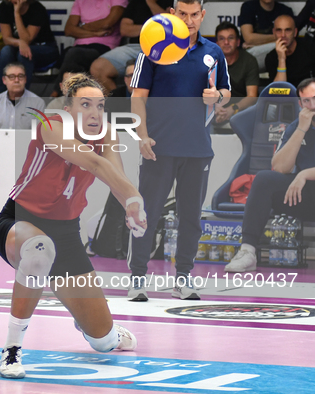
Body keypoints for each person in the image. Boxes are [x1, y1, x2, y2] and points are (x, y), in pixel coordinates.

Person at [0, 74, 145, 379]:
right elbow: (95, 165)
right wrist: (134, 197)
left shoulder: (107, 133)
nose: (93, 113)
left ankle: (102, 329)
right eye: (84, 104)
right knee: (38, 251)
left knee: (103, 342)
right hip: (20, 221)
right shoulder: (50, 125)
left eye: (100, 106)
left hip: (66, 231)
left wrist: (132, 205)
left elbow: (115, 172)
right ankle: (12, 348)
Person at [129, 0, 231, 301]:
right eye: (183, 14)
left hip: (198, 149)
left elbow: (225, 92)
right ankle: (137, 279)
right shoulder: (153, 47)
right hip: (158, 148)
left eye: (194, 14)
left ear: (202, 15)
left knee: (190, 218)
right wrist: (142, 137)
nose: (189, 20)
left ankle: (183, 278)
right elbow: (137, 97)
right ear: (172, 14)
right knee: (146, 214)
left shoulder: (213, 52)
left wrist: (218, 96)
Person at [225, 78, 315, 272]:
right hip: (305, 196)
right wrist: (301, 129)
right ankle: (248, 252)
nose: (312, 106)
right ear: (300, 104)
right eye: (306, 101)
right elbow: (280, 168)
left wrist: (305, 174)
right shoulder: (295, 127)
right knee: (265, 179)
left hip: (307, 182)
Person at [90, 0, 172, 95]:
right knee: (98, 68)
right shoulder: (136, 3)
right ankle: (122, 104)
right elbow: (125, 30)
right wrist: (153, 28)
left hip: (162, 48)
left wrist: (151, 3)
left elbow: (169, 26)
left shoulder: (172, 2)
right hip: (135, 47)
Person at [50, 0, 127, 97]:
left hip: (104, 47)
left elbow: (107, 23)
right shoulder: (80, 1)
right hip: (79, 48)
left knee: (74, 55)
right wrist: (96, 32)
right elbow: (69, 30)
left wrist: (82, 26)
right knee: (71, 56)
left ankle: (56, 93)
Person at [0, 0, 59, 96]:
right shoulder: (4, 6)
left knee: (24, 54)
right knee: (6, 51)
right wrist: (19, 42)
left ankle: (20, 97)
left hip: (45, 48)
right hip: (20, 47)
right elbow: (7, 39)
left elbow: (26, 39)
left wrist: (17, 14)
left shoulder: (37, 8)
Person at [214, 22, 259, 124]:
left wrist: (233, 108)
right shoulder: (210, 61)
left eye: (230, 38)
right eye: (222, 39)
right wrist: (214, 107)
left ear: (238, 42)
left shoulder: (249, 60)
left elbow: (252, 96)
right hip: (216, 109)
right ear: (216, 44)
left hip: (242, 109)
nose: (226, 42)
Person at [0, 62, 45, 129]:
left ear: (25, 79)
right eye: (11, 77)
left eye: (20, 76)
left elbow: (42, 135)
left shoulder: (37, 103)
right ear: (4, 80)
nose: (16, 80)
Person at [239, 0, 294, 71]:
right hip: (252, 56)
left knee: (284, 46)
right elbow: (249, 38)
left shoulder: (285, 11)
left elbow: (290, 39)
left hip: (278, 56)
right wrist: (278, 38)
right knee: (281, 45)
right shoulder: (248, 7)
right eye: (278, 31)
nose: (282, 34)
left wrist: (257, 43)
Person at [265, 15, 315, 89]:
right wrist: (281, 60)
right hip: (288, 98)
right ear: (274, 33)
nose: (283, 35)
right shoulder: (271, 57)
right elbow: (278, 91)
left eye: (288, 30)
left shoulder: (310, 48)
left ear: (295, 32)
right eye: (279, 30)